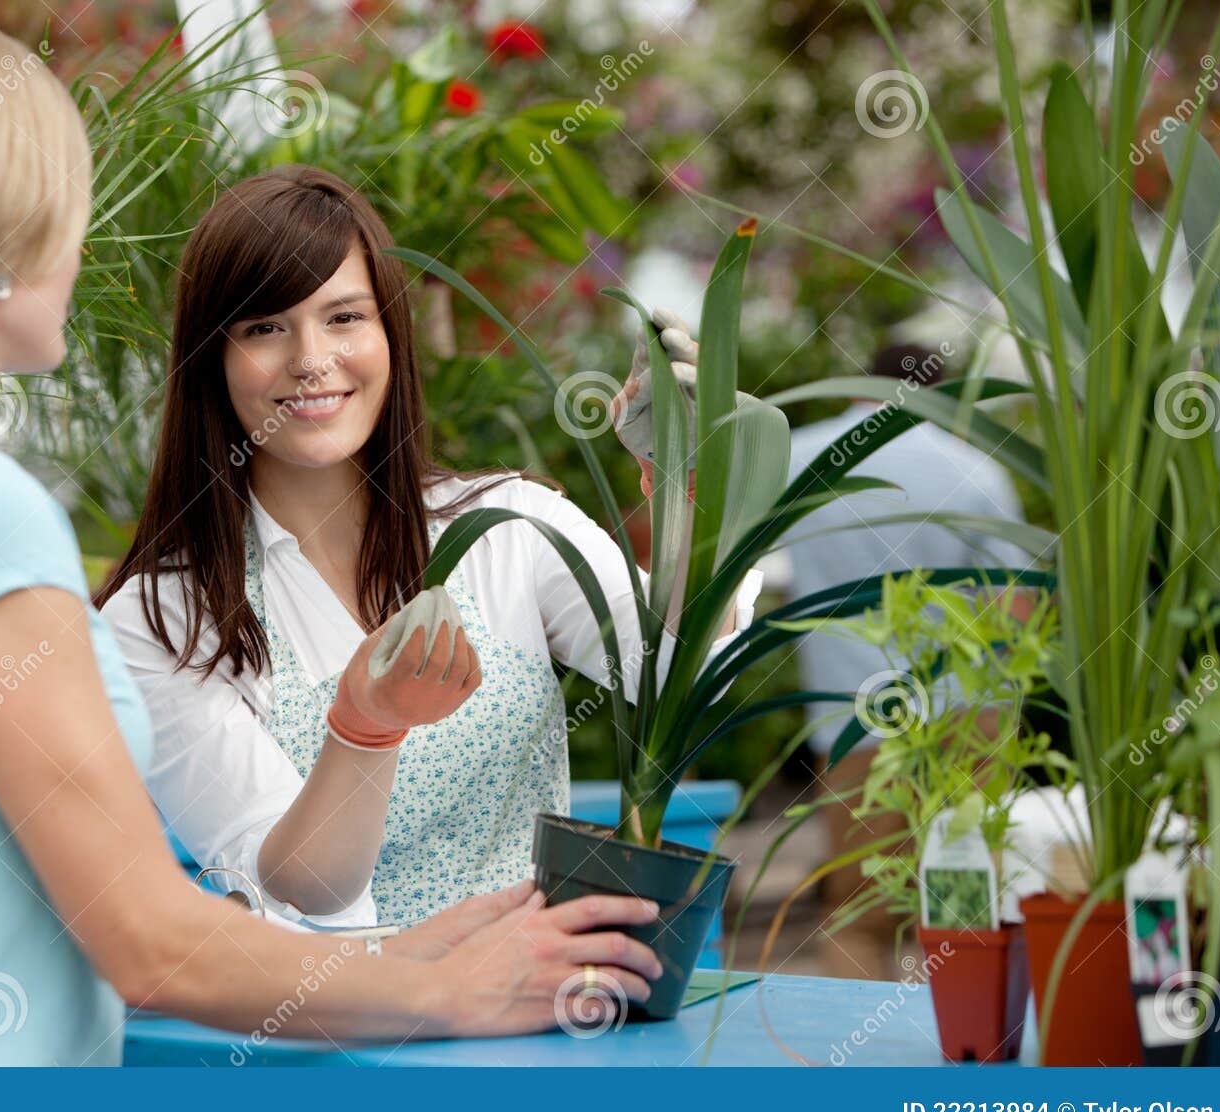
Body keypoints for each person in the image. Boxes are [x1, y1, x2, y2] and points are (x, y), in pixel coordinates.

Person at [0, 8, 661, 1066]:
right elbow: (155, 945)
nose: (80, 244)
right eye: (73, 201)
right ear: (0, 223)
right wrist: (445, 991)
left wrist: (406, 957)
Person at [97, 170, 761, 930]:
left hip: (543, 1016)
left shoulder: (508, 525)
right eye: (263, 327)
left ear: (390, 333)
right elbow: (301, 888)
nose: (312, 358)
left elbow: (676, 666)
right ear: (210, 361)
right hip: (340, 1034)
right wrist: (364, 727)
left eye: (343, 316)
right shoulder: (166, 618)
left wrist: (686, 487)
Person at [781, 344, 1034, 980]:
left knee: (860, 918)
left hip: (854, 721)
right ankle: (969, 1056)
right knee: (964, 913)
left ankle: (855, 1071)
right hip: (967, 722)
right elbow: (1021, 612)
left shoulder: (797, 460)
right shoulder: (977, 471)